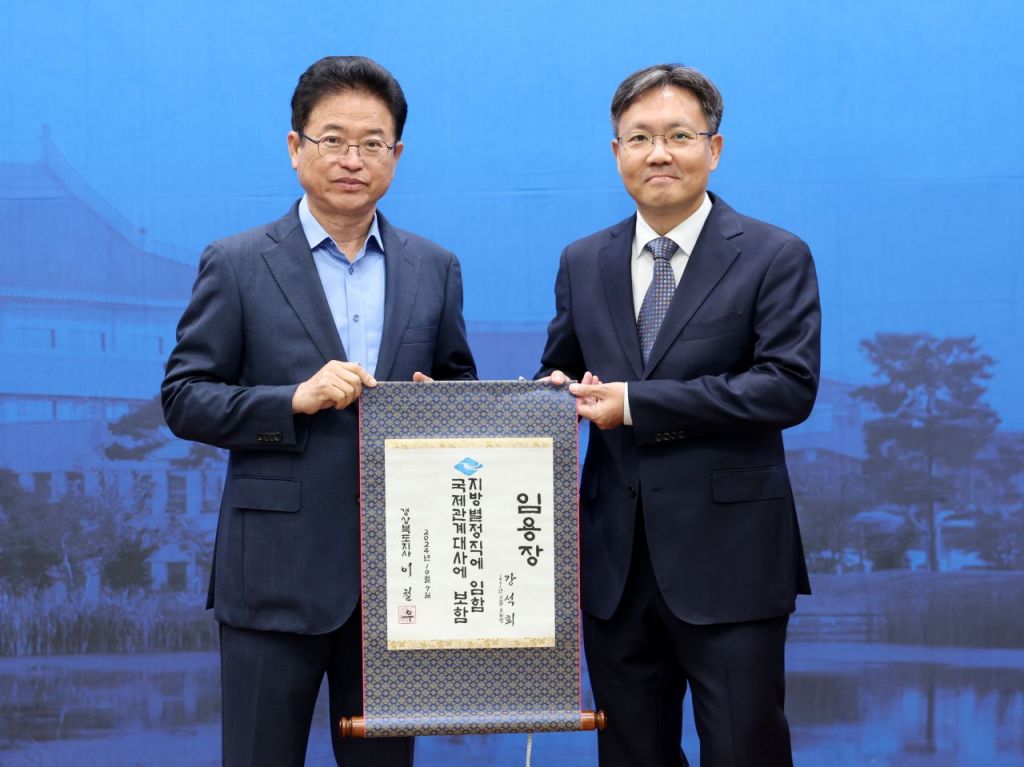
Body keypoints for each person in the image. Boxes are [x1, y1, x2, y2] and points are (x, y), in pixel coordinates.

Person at [162, 56, 476, 766]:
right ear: (295, 146)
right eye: (333, 139)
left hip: (402, 581)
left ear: (396, 155)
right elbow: (184, 396)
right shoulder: (238, 262)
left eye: (372, 143)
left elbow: (460, 387)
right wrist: (291, 400)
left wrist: (444, 408)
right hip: (274, 575)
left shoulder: (435, 267)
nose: (352, 159)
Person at [538, 64, 820, 766]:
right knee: (632, 753)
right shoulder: (583, 260)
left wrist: (635, 404)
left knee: (745, 749)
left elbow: (786, 387)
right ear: (617, 153)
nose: (657, 153)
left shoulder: (773, 255)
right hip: (615, 563)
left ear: (713, 148)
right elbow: (561, 377)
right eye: (639, 137)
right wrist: (479, 406)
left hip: (732, 560)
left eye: (678, 136)